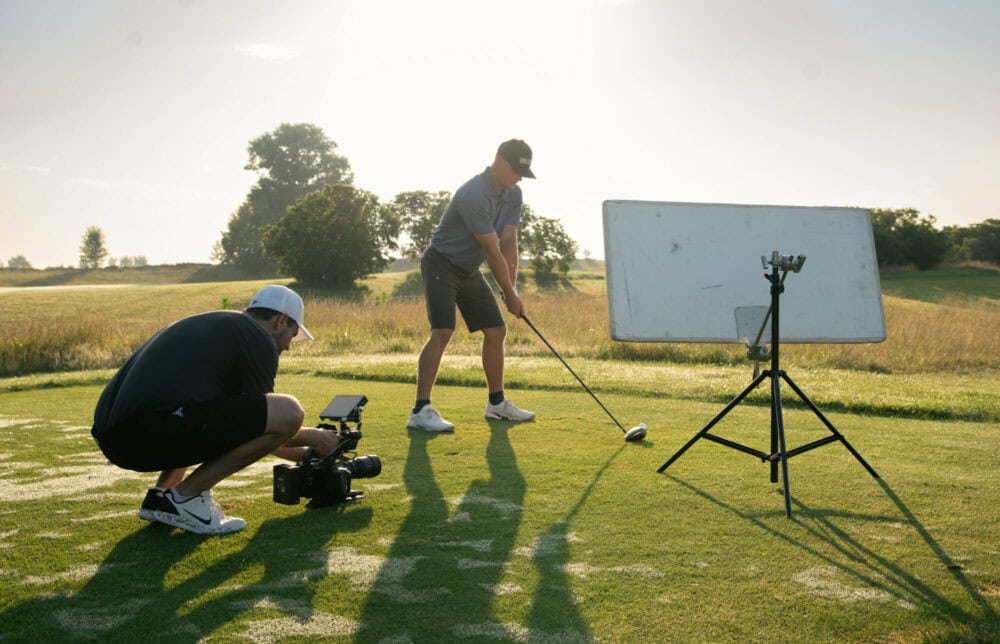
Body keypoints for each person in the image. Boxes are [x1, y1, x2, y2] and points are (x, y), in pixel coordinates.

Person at [91, 284, 340, 535]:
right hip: (146, 433)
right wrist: (316, 437)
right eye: (293, 333)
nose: (288, 346)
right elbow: (263, 424)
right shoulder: (258, 336)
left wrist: (305, 454)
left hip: (117, 439)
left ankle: (162, 496)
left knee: (204, 409)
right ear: (281, 321)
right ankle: (186, 499)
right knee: (289, 411)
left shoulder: (222, 328)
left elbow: (239, 425)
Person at [407, 139, 538, 433]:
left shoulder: (514, 194)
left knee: (496, 330)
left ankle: (496, 404)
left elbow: (508, 243)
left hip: (467, 268)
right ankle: (420, 410)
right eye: (516, 170)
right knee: (442, 331)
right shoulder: (473, 194)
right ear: (500, 161)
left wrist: (511, 290)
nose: (519, 177)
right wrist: (509, 293)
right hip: (441, 262)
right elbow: (492, 252)